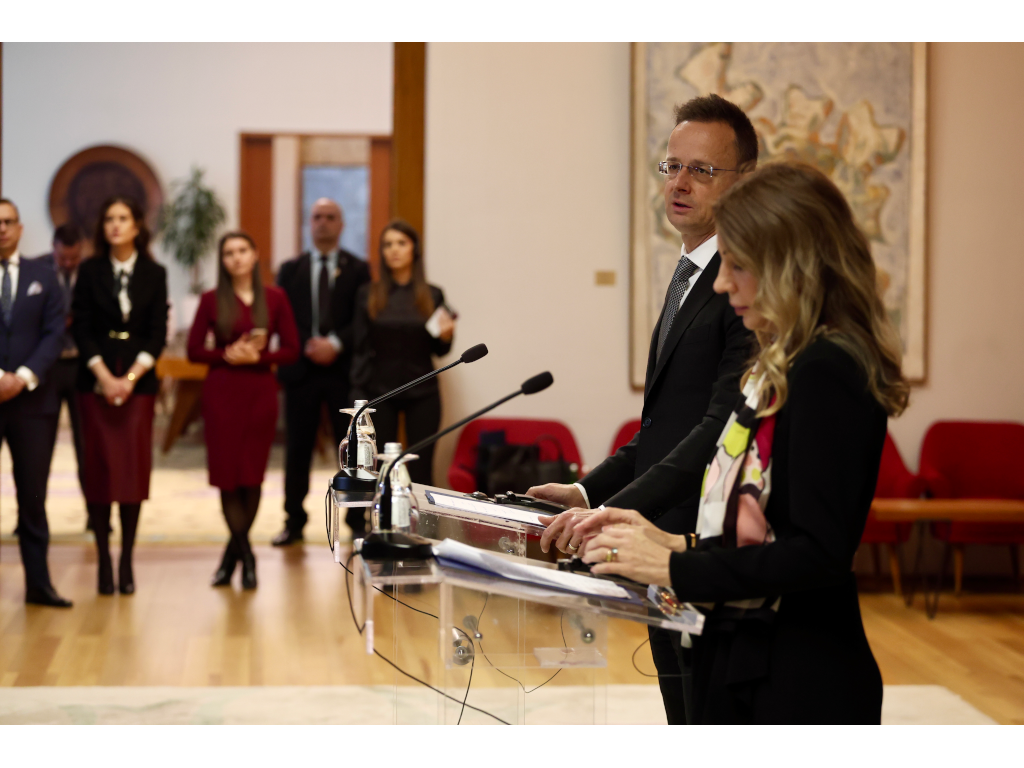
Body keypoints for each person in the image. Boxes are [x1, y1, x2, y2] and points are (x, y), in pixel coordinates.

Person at [574, 162, 910, 724]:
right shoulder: (784, 362)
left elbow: (817, 554)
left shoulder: (828, 368)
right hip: (746, 654)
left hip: (795, 677)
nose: (722, 283)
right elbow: (766, 529)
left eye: (738, 264)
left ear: (790, 265)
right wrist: (672, 542)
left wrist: (674, 568)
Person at [531, 94, 757, 723]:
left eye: (701, 170)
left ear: (744, 180)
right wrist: (585, 492)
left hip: (698, 545)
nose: (679, 183)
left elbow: (718, 430)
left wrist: (608, 512)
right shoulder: (690, 273)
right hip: (655, 542)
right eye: (672, 166)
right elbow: (662, 427)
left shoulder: (744, 286)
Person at [187, 232, 300, 589]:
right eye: (228, 253)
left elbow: (292, 349)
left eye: (242, 250)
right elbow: (193, 350)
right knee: (227, 477)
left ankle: (230, 557)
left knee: (251, 476)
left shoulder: (276, 297)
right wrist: (225, 354)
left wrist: (259, 358)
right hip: (221, 394)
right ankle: (247, 556)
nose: (235, 258)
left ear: (254, 255)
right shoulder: (211, 299)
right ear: (223, 261)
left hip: (259, 394)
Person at [73, 197, 168, 596]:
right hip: (94, 379)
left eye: (123, 218)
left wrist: (128, 379)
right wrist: (104, 377)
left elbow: (157, 333)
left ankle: (126, 559)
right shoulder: (90, 270)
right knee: (98, 472)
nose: (115, 225)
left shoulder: (154, 272)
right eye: (109, 218)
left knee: (131, 472)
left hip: (138, 384)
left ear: (137, 226)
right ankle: (103, 560)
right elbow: (81, 328)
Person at [275, 199, 371, 546]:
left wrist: (335, 344)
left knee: (352, 450)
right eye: (317, 217)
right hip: (301, 371)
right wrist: (309, 345)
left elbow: (363, 319)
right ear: (308, 223)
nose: (323, 222)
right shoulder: (290, 270)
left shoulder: (359, 270)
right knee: (297, 450)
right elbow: (282, 318)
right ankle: (294, 521)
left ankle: (356, 520)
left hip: (343, 372)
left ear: (341, 225)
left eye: (331, 217)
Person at [0, 198, 71, 608]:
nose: (2, 228)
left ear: (20, 228)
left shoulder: (43, 276)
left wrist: (22, 378)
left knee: (33, 497)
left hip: (33, 403)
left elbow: (54, 334)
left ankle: (39, 584)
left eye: (8, 221)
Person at [351, 221, 454, 490]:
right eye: (388, 244)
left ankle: (420, 518)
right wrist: (357, 393)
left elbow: (440, 350)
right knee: (381, 468)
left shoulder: (432, 294)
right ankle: (379, 517)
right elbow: (359, 348)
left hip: (423, 390)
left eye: (401, 243)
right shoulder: (368, 294)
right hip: (381, 391)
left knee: (421, 469)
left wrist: (446, 336)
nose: (394, 250)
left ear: (414, 250)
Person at [39, 224, 88, 505]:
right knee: (39, 446)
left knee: (87, 445)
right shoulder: (37, 270)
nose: (68, 264)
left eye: (74, 258)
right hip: (48, 367)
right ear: (53, 248)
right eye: (63, 258)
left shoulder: (90, 272)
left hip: (81, 365)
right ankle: (34, 514)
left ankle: (94, 515)